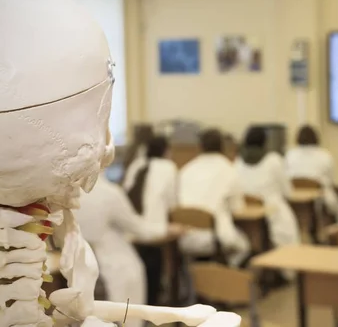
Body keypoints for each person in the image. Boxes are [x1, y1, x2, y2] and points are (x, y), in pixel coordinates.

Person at [74, 173, 173, 327]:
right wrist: (167, 230)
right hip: (117, 268)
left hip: (81, 269)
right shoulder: (109, 193)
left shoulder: (66, 195)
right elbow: (140, 229)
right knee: (127, 320)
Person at [178, 129, 251, 267]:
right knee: (244, 246)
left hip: (184, 238)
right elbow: (238, 208)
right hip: (215, 238)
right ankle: (223, 282)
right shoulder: (228, 170)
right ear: (223, 147)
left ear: (200, 147)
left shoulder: (185, 170)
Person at [125, 135, 179, 306]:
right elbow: (173, 204)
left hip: (130, 230)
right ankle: (155, 300)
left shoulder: (136, 165)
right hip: (154, 231)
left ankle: (145, 299)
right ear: (165, 150)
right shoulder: (169, 167)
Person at [235, 127, 301, 252]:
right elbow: (287, 192)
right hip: (272, 213)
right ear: (265, 142)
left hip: (247, 219)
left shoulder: (238, 162)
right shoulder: (274, 160)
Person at [285, 125, 338, 221]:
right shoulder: (324, 155)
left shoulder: (290, 155)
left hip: (295, 201)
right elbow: (331, 181)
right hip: (321, 199)